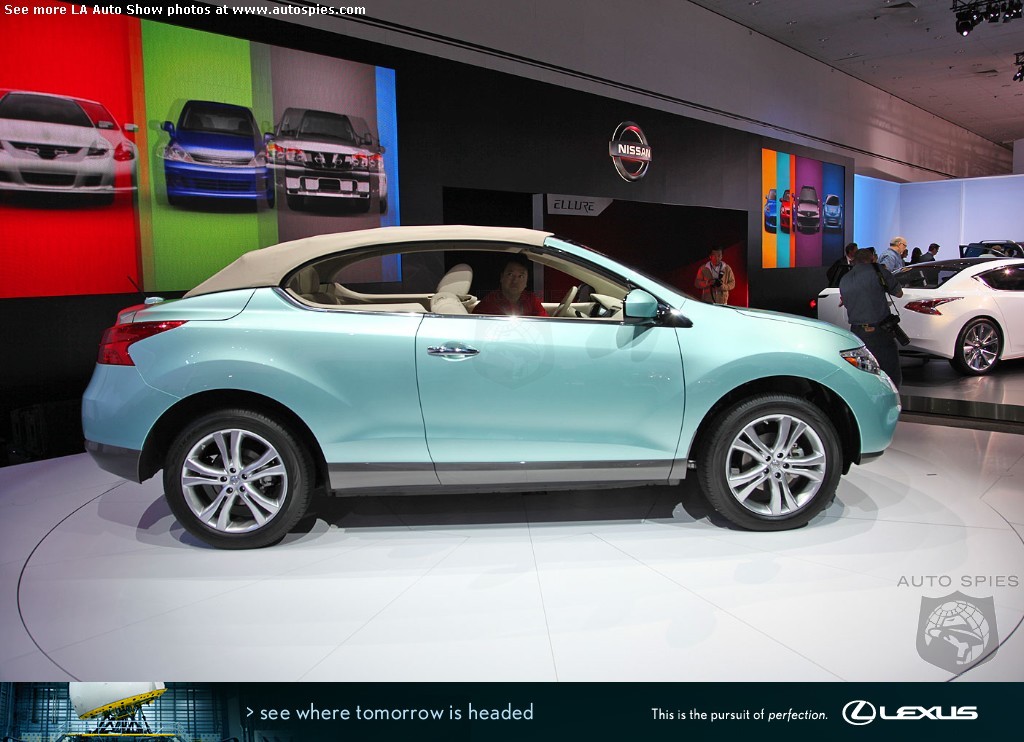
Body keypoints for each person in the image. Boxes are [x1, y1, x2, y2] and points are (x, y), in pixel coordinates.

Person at [839, 248, 904, 389]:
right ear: (872, 258)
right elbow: (899, 293)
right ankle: (891, 395)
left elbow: (845, 300)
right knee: (889, 368)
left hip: (857, 331)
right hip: (879, 330)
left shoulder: (845, 278)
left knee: (864, 368)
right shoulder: (878, 271)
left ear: (854, 260)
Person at [472, 257, 548, 316]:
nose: (515, 281)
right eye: (510, 274)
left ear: (526, 282)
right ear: (502, 277)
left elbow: (544, 324)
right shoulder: (488, 304)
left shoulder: (531, 300)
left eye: (521, 276)